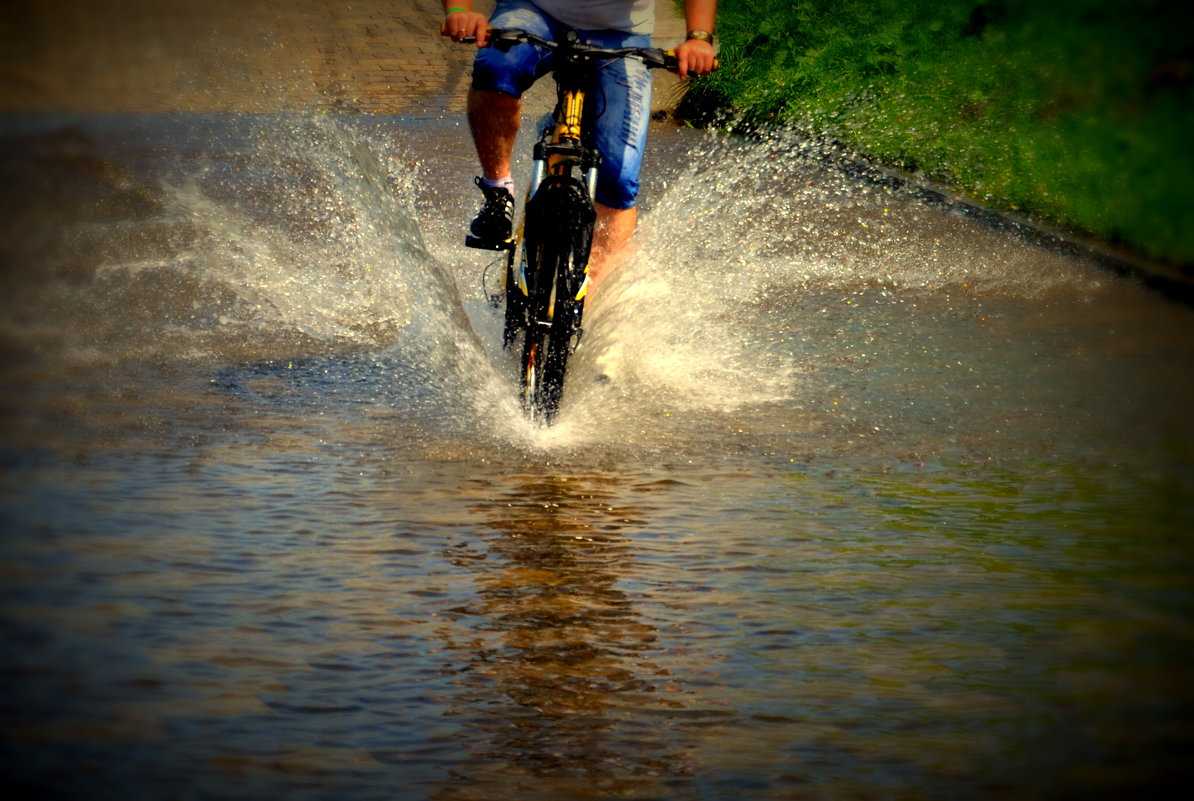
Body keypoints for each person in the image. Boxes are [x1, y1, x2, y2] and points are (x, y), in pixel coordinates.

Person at [441, 0, 717, 280]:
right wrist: (458, 10)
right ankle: (498, 190)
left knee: (619, 179)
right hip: (533, 11)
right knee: (496, 70)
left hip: (620, 31)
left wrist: (699, 38)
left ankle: (587, 292)